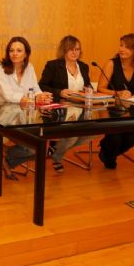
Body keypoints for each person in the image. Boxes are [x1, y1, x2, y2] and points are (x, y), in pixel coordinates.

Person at [96, 33, 134, 169]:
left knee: (131, 140)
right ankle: (108, 157)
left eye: (126, 47)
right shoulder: (111, 64)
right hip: (111, 110)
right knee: (115, 139)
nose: (121, 49)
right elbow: (100, 88)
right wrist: (117, 93)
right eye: (121, 45)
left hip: (132, 110)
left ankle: (106, 151)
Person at [0, 36, 52, 175]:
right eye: (11, 50)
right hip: (3, 117)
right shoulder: (1, 69)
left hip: (24, 115)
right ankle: (7, 157)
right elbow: (8, 96)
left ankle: (6, 157)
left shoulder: (30, 68)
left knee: (42, 146)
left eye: (19, 50)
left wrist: (41, 95)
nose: (14, 53)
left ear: (26, 53)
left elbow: (35, 88)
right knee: (34, 147)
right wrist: (29, 100)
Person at [38, 35, 96, 173]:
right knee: (72, 136)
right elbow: (41, 85)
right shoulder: (53, 65)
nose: (74, 52)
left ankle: (56, 148)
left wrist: (88, 90)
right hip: (59, 110)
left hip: (80, 109)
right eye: (71, 49)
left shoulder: (83, 66)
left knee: (93, 132)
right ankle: (57, 156)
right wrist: (60, 92)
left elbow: (88, 85)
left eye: (77, 49)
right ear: (64, 51)